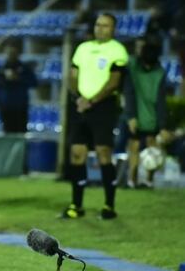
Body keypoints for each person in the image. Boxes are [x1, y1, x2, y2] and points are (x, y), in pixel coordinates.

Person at [63, 13, 129, 220]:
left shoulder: (117, 50)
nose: (100, 29)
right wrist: (79, 97)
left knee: (103, 154)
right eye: (98, 25)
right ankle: (76, 205)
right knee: (77, 153)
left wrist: (92, 100)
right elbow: (73, 77)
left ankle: (109, 205)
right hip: (81, 106)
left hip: (104, 107)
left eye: (105, 26)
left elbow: (113, 82)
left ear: (113, 29)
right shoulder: (82, 49)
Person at [124, 38, 170, 188]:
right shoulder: (133, 68)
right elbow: (129, 93)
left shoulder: (159, 72)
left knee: (151, 149)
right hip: (138, 115)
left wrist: (162, 125)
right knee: (135, 147)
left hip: (151, 117)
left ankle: (147, 181)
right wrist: (131, 116)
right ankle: (133, 179)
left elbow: (161, 100)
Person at [0, 42, 37, 133]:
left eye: (13, 53)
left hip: (21, 108)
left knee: (21, 133)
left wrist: (19, 78)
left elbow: (34, 83)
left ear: (18, 54)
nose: (11, 55)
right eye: (9, 53)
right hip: (6, 108)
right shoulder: (0, 69)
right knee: (8, 134)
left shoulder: (24, 68)